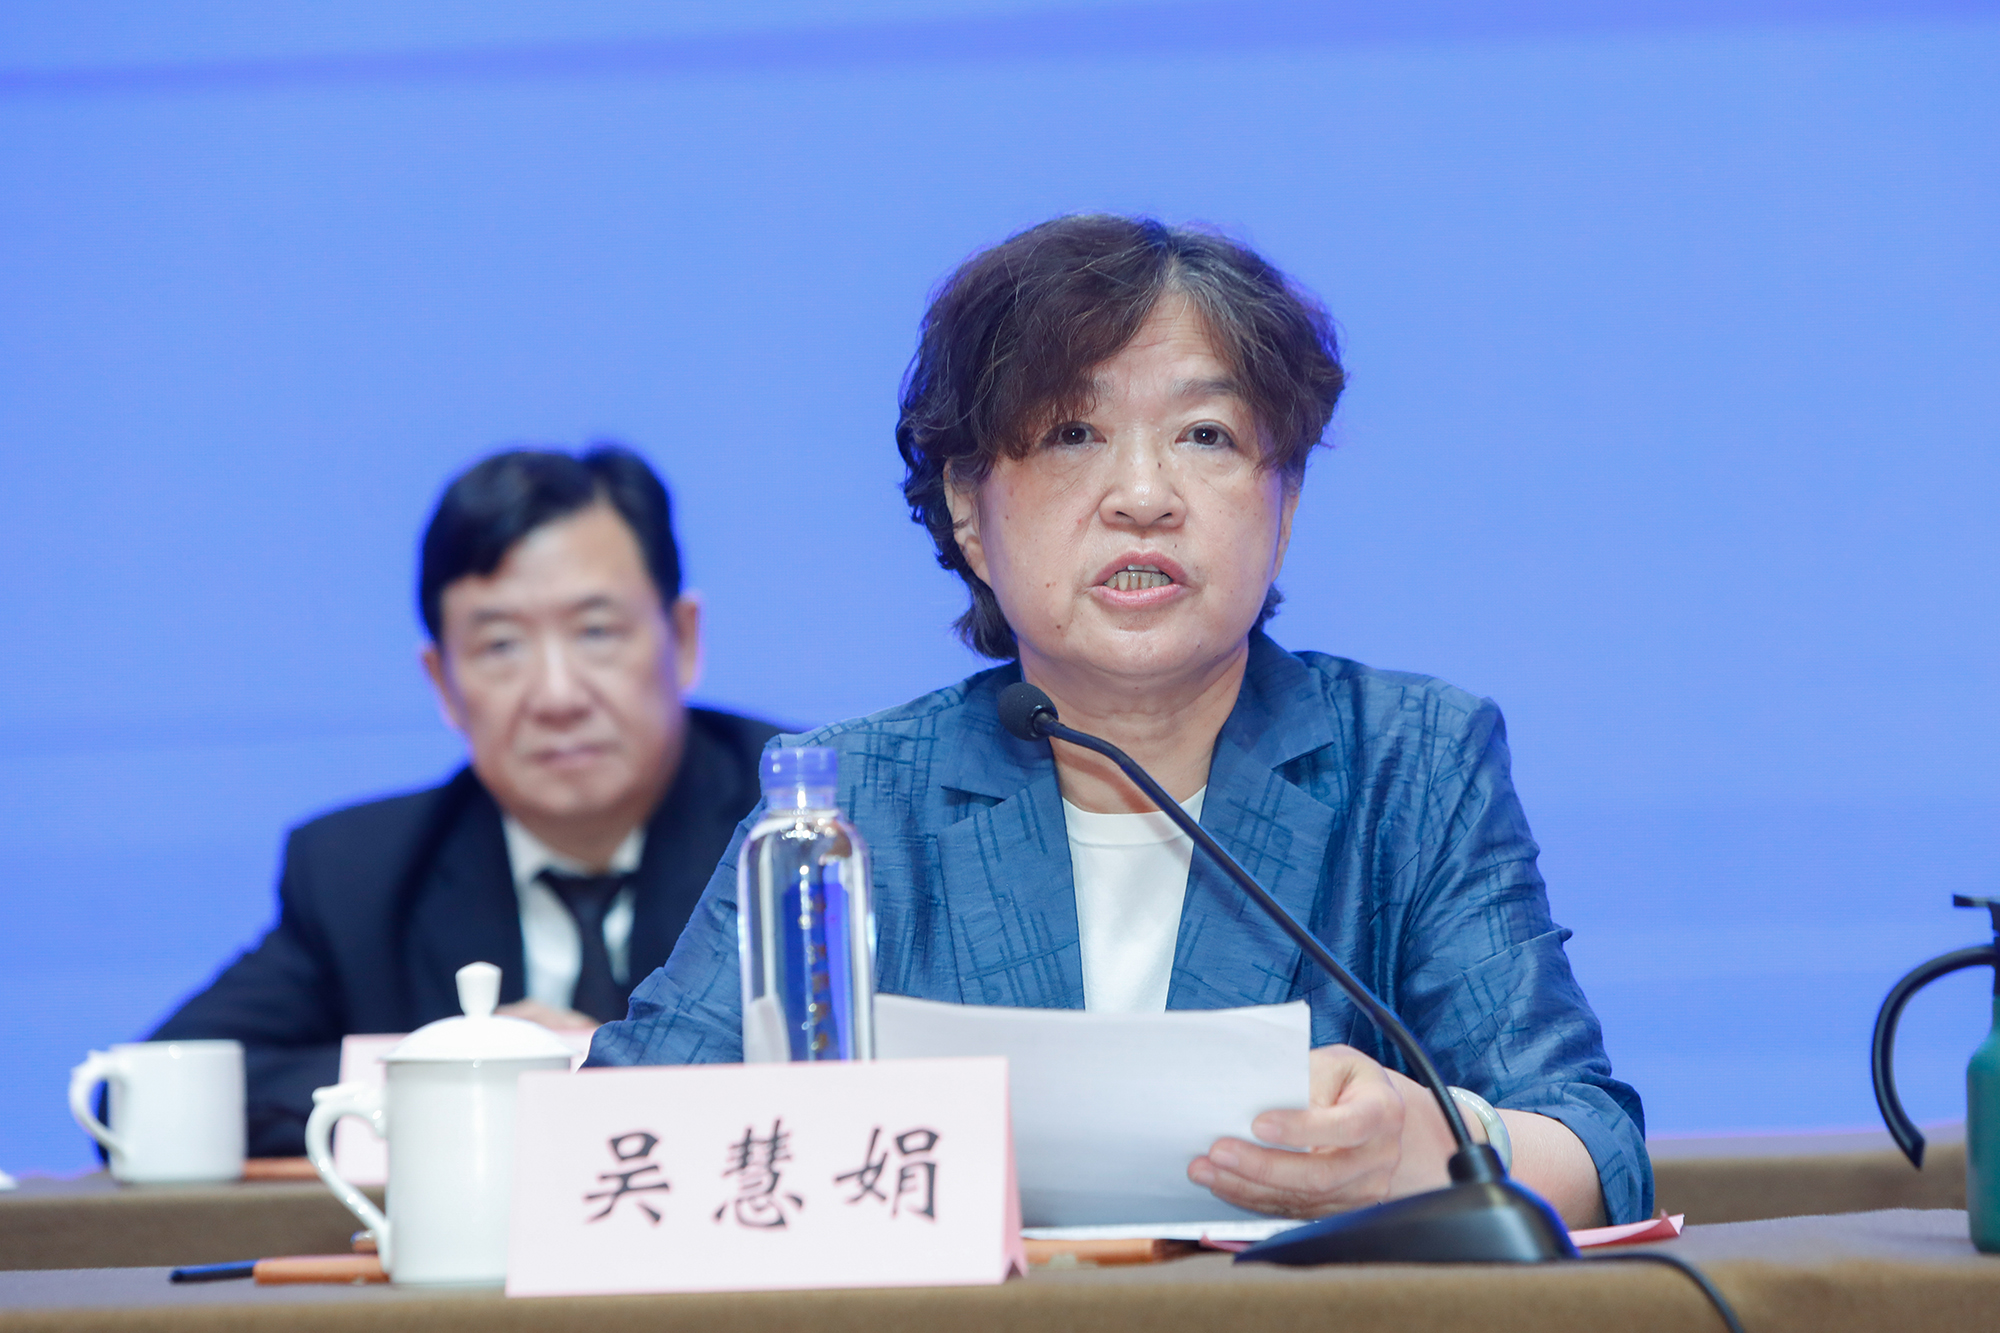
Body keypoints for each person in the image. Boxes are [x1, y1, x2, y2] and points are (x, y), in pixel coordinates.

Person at [590, 217, 1650, 1227]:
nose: (1143, 494)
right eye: (1072, 433)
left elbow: (1593, 1146)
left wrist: (1445, 1148)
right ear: (967, 508)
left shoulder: (1409, 760)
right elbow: (618, 1135)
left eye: (1205, 435)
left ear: (1284, 504)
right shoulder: (855, 796)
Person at [151, 446, 777, 1157]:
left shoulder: (803, 826)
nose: (557, 696)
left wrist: (601, 1075)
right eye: (501, 645)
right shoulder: (362, 875)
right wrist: (455, 1079)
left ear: (683, 640)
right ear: (443, 683)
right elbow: (159, 1089)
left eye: (596, 631)